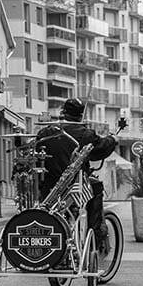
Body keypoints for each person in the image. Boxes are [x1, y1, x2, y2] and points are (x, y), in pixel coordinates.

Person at [36, 98, 117, 250]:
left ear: (62, 112)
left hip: (49, 187)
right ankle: (94, 236)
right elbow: (100, 149)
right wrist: (112, 139)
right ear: (80, 116)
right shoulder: (84, 133)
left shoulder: (45, 132)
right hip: (75, 186)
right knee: (96, 187)